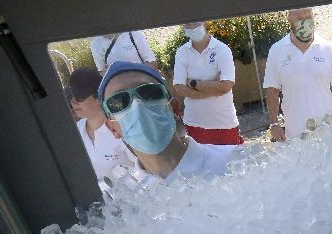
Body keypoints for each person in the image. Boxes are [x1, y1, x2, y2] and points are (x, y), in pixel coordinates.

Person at [98, 62, 236, 184]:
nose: (137, 105)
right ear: (112, 129)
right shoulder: (128, 202)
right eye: (118, 102)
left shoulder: (236, 162)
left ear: (175, 108)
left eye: (149, 92)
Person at [263, 8, 332, 141]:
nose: (305, 22)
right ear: (290, 18)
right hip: (295, 133)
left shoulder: (328, 49)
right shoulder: (276, 51)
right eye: (299, 18)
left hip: (327, 131)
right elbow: (271, 91)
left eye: (308, 16)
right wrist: (274, 123)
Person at [172, 22, 244, 145]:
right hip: (193, 124)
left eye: (195, 22)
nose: (192, 27)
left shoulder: (222, 49)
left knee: (230, 163)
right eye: (187, 24)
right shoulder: (182, 52)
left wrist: (194, 84)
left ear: (204, 22)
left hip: (224, 123)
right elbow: (179, 88)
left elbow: (225, 87)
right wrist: (213, 89)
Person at [68, 68, 136, 195]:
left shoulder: (122, 128)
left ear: (99, 98)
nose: (73, 101)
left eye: (79, 97)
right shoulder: (74, 133)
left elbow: (146, 170)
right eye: (71, 95)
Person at [90, 31, 159, 75]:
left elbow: (153, 63)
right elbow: (102, 72)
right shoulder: (95, 43)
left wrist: (128, 72)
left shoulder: (133, 34)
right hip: (119, 90)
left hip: (142, 83)